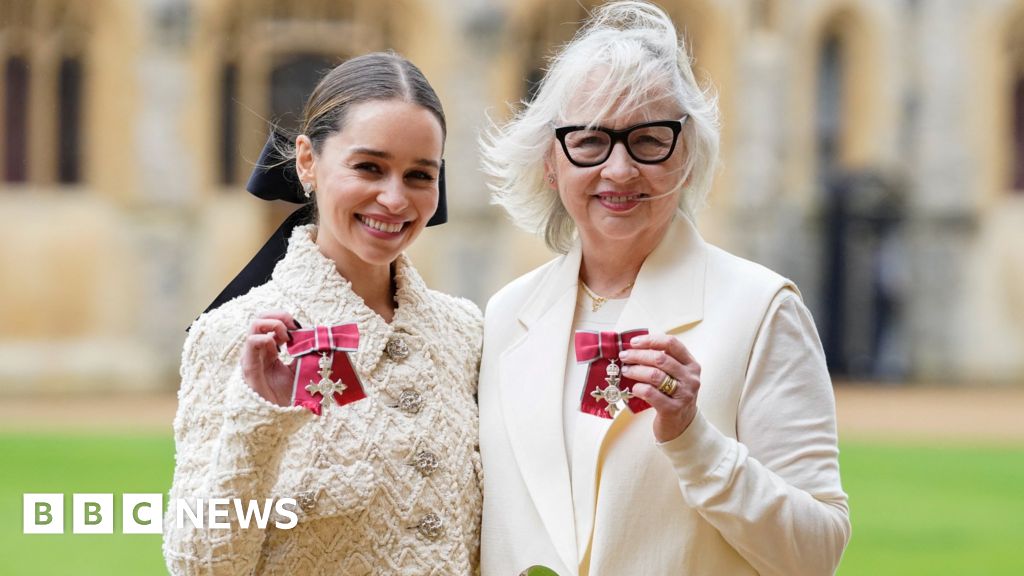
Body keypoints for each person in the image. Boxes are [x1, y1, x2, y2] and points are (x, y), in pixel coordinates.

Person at [477, 2, 851, 575]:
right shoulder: (506, 315)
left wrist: (693, 439)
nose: (620, 170)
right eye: (591, 141)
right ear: (553, 161)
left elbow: (818, 553)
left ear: (688, 156)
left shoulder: (761, 310)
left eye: (650, 140)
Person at [163, 52, 483, 575]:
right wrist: (256, 422)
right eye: (369, 167)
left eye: (420, 175)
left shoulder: (467, 334)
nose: (395, 198)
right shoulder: (230, 336)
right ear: (308, 162)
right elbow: (200, 566)